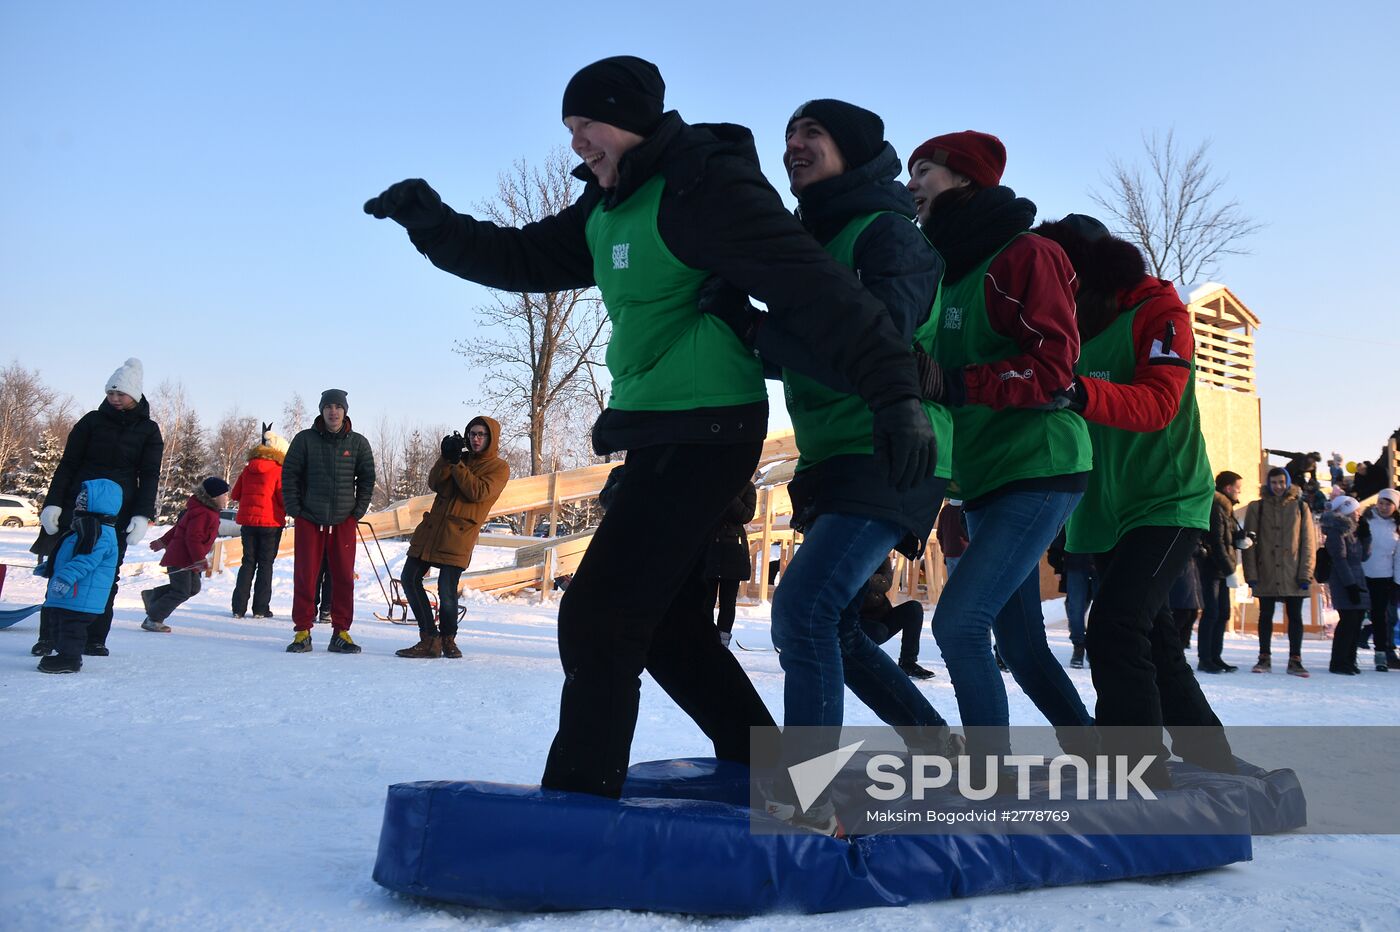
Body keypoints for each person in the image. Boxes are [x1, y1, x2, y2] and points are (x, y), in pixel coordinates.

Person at [365, 57, 936, 800]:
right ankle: (765, 768)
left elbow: (822, 291)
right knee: (664, 624)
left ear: (630, 119)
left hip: (711, 428)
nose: (577, 144)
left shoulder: (705, 187)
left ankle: (579, 803)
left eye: (587, 126)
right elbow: (519, 256)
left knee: (600, 617)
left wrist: (895, 392)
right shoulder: (608, 206)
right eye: (568, 130)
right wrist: (433, 224)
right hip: (663, 432)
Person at [904, 130, 1094, 771]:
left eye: (924, 170)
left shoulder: (1026, 255)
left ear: (964, 178)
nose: (912, 184)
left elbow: (1055, 366)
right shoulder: (940, 271)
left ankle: (989, 777)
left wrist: (954, 382)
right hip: (983, 478)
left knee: (958, 625)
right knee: (1019, 642)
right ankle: (1094, 754)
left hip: (1040, 465)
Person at [1036, 214, 1235, 787]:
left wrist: (1076, 392)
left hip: (1166, 499)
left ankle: (1133, 770)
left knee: (1115, 626)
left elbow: (1156, 404)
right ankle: (1211, 757)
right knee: (1154, 641)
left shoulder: (1161, 314)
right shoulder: (1063, 324)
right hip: (1101, 508)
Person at [30, 358, 163, 658]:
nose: (115, 398)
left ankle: (94, 637)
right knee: (61, 567)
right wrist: (53, 504)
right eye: (110, 393)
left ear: (135, 395)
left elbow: (150, 474)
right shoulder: (91, 421)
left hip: (117, 512)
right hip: (77, 506)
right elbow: (68, 464)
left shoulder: (149, 431)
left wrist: (142, 514)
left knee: (106, 573)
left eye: (121, 393)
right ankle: (48, 637)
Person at [396, 417, 510, 659]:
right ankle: (430, 638)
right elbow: (435, 483)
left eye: (481, 434)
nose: (476, 438)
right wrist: (446, 457)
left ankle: (448, 639)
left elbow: (477, 492)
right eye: (472, 433)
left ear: (491, 439)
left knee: (446, 590)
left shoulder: (498, 468)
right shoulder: (460, 458)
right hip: (432, 530)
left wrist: (457, 464)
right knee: (409, 577)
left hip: (459, 535)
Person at [281, 389, 376, 654]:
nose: (333, 411)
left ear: (345, 410)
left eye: (338, 406)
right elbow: (289, 475)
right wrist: (295, 509)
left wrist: (357, 511)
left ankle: (341, 633)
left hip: (343, 520)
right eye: (328, 406)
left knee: (344, 577)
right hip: (309, 519)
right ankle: (302, 631)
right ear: (322, 410)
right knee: (305, 575)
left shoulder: (358, 443)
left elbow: (367, 478)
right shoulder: (304, 440)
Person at [33, 479, 122, 674]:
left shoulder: (98, 532)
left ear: (99, 504)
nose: (78, 504)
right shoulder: (85, 527)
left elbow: (86, 560)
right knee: (57, 622)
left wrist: (64, 578)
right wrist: (50, 567)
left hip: (81, 594)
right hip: (72, 593)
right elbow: (68, 556)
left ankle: (70, 659)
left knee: (71, 628)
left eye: (84, 501)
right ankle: (62, 654)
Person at [1241, 466, 1316, 676]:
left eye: (1282, 482)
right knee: (1265, 615)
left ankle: (1295, 659)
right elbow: (1249, 544)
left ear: (1288, 483)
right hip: (1266, 570)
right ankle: (1264, 657)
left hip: (1293, 571)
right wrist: (1251, 574)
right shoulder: (1258, 507)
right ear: (1268, 484)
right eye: (1274, 482)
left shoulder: (1301, 507)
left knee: (1295, 616)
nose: (1278, 486)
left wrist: (1305, 573)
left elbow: (1308, 543)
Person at [141, 477, 229, 632]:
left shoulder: (206, 511)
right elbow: (192, 537)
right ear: (214, 497)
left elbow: (179, 528)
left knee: (193, 588)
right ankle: (153, 619)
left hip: (189, 558)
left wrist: (163, 541)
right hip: (182, 558)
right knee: (181, 591)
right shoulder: (203, 513)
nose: (227, 498)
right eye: (225, 495)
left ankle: (153, 596)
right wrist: (199, 559)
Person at [229, 424, 288, 619]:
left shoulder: (248, 470)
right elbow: (283, 499)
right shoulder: (278, 471)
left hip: (248, 523)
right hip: (271, 524)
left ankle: (238, 608)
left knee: (247, 563)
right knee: (265, 565)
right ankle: (261, 609)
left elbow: (235, 494)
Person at [1197, 471, 1245, 673]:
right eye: (1238, 487)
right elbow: (1216, 541)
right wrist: (1229, 569)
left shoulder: (1226, 508)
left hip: (1222, 569)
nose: (1239, 491)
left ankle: (1216, 656)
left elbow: (1227, 538)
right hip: (1212, 568)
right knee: (1212, 612)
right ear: (1227, 488)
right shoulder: (1217, 506)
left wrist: (1241, 539)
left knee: (1223, 612)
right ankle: (1206, 658)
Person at [858, 555, 935, 679]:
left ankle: (908, 662)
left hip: (881, 613)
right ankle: (856, 661)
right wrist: (873, 580)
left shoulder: (880, 553)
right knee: (879, 631)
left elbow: (886, 582)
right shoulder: (848, 552)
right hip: (856, 621)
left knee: (914, 608)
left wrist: (863, 578)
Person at [706, 481, 755, 648]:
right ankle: (706, 638)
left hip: (733, 550)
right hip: (710, 548)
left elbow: (746, 515)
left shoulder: (747, 486)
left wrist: (729, 493)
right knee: (706, 600)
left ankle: (722, 641)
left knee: (728, 601)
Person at [1323, 495, 1368, 674]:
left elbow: (1363, 556)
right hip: (1344, 580)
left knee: (1356, 620)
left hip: (1357, 578)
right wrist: (1350, 585)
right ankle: (1339, 661)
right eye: (1354, 511)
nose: (1358, 514)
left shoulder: (1352, 531)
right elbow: (1340, 560)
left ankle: (1349, 659)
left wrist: (1367, 537)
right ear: (1345, 513)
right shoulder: (1336, 531)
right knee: (1348, 620)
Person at [1357, 488, 1400, 670]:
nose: (1383, 507)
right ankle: (1349, 652)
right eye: (1381, 503)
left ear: (1395, 506)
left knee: (1381, 617)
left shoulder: (1396, 526)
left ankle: (1381, 655)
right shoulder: (1366, 520)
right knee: (1357, 615)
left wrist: (1397, 582)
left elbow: (1398, 556)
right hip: (1363, 574)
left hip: (1384, 577)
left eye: (1388, 504)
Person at [1047, 528, 1096, 668]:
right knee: (1075, 609)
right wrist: (1057, 566)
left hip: (1101, 564)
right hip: (1076, 564)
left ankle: (1095, 647)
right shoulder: (1075, 507)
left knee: (1102, 610)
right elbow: (1062, 534)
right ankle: (1079, 646)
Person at [934, 498, 968, 577]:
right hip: (964, 551)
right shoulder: (965, 510)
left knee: (953, 584)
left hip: (949, 553)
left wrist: (945, 549)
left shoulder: (944, 511)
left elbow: (939, 534)